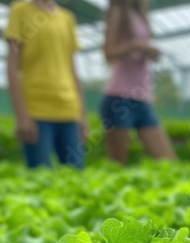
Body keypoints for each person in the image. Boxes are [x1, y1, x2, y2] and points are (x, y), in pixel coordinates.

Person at [4, 0, 88, 169]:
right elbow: (12, 69)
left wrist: (82, 115)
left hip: (68, 108)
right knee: (40, 172)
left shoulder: (66, 18)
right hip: (36, 110)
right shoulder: (20, 10)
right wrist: (21, 116)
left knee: (75, 173)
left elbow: (73, 71)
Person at [101, 0, 175, 164]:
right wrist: (135, 46)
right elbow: (108, 53)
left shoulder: (140, 15)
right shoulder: (117, 12)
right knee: (118, 165)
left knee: (167, 161)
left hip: (142, 98)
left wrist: (149, 52)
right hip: (119, 97)